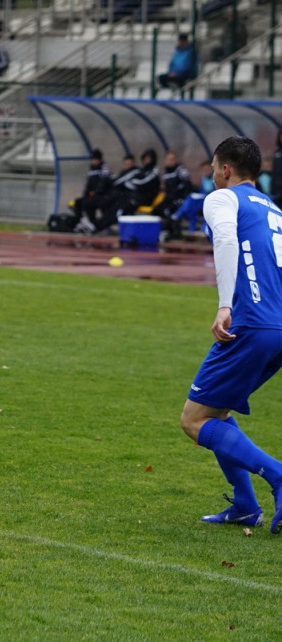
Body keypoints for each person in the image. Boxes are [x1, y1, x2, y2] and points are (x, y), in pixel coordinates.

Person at [179, 136, 282, 533]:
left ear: (224, 169)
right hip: (276, 327)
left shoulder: (223, 198)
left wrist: (225, 304)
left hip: (251, 324)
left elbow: (224, 240)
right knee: (216, 410)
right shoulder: (273, 209)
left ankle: (277, 475)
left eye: (212, 168)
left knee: (194, 420)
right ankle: (244, 504)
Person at [70, 148, 113, 235]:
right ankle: (86, 222)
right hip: (93, 196)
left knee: (92, 203)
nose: (93, 161)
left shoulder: (104, 168)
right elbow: (88, 185)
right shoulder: (91, 170)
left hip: (103, 195)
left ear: (99, 160)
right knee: (78, 203)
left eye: (95, 159)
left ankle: (102, 226)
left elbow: (104, 183)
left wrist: (95, 193)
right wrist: (85, 195)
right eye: (93, 159)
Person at [172, 159, 214, 234]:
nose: (206, 171)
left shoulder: (214, 179)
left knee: (191, 198)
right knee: (192, 209)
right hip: (202, 200)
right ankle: (192, 230)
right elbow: (201, 190)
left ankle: (178, 214)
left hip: (210, 200)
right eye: (204, 170)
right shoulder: (203, 178)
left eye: (207, 169)